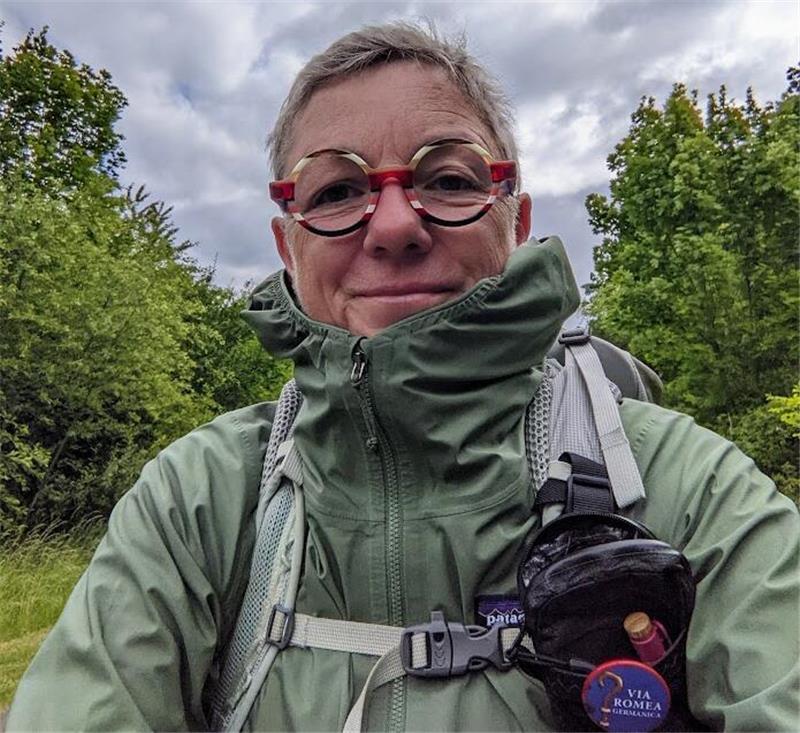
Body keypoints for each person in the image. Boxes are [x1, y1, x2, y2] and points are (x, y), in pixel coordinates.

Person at [6, 22, 799, 732]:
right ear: (288, 246)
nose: (392, 225)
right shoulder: (196, 501)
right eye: (337, 190)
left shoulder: (693, 494)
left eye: (448, 179)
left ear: (515, 220)